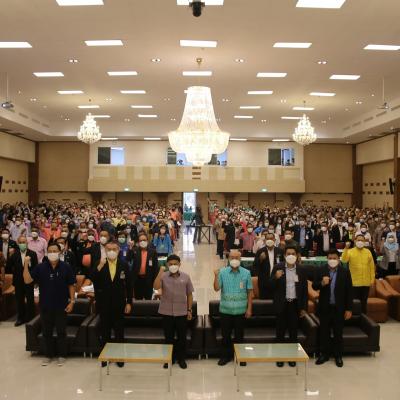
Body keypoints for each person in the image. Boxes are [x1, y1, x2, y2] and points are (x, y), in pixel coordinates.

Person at [23, 243, 76, 366]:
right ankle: (48, 355)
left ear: (59, 252)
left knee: (61, 332)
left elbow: (71, 285)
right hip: (45, 306)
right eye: (50, 251)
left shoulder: (66, 267)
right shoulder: (41, 267)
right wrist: (26, 264)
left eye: (55, 251)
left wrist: (72, 301)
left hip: (62, 305)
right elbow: (27, 280)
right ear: (47, 253)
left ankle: (62, 355)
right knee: (47, 332)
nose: (52, 253)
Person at [91, 241, 133, 368]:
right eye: (109, 249)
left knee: (119, 332)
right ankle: (106, 356)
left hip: (119, 304)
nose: (111, 251)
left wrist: (129, 302)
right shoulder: (99, 263)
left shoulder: (124, 264)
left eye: (114, 249)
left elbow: (129, 285)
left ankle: (120, 357)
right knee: (105, 331)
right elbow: (93, 279)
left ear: (118, 250)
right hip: (103, 303)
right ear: (105, 250)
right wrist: (100, 266)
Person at [313, 249, 353, 368]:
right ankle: (324, 355)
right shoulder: (321, 270)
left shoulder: (345, 272)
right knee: (324, 332)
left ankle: (338, 356)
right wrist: (322, 283)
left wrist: (349, 309)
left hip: (339, 308)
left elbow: (349, 291)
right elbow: (314, 286)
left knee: (338, 333)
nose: (332, 260)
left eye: (334, 258)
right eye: (330, 258)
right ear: (327, 259)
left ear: (338, 259)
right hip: (325, 307)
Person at [269, 246, 308, 368]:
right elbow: (270, 286)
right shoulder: (278, 267)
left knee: (293, 333)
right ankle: (280, 357)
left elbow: (304, 290)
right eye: (288, 253)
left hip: (295, 305)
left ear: (297, 255)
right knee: (280, 333)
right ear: (284, 255)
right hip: (282, 304)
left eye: (293, 253)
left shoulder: (301, 269)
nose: (291, 255)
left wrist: (303, 307)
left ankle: (292, 357)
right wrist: (276, 277)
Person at [154, 254, 194, 370]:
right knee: (168, 338)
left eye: (175, 264)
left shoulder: (186, 277)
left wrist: (189, 310)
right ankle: (169, 359)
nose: (173, 266)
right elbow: (156, 287)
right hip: (166, 312)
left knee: (182, 338)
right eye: (170, 264)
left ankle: (181, 359)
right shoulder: (163, 276)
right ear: (167, 265)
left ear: (179, 264)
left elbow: (189, 295)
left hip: (181, 312)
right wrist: (160, 272)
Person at [213, 250, 253, 366]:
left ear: (240, 259)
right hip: (226, 310)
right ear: (228, 258)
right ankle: (225, 356)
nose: (234, 259)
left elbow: (250, 292)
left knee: (239, 336)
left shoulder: (246, 273)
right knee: (225, 336)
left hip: (241, 310)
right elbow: (216, 288)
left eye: (237, 257)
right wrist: (216, 276)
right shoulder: (222, 272)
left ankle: (240, 356)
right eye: (232, 257)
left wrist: (249, 309)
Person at [7, 235, 38, 326]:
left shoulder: (32, 253)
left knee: (30, 300)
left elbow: (35, 268)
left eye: (23, 242)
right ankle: (20, 318)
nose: (22, 244)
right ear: (18, 243)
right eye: (20, 242)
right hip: (18, 281)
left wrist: (35, 281)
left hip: (29, 281)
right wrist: (9, 256)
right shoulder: (14, 254)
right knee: (19, 300)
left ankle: (31, 319)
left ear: (27, 243)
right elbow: (9, 267)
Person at [341, 235, 375, 314]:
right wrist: (346, 248)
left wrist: (372, 280)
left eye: (362, 240)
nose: (360, 242)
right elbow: (344, 260)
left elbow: (372, 267)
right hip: (354, 283)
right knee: (355, 303)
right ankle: (355, 318)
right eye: (358, 240)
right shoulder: (350, 251)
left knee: (364, 303)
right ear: (355, 241)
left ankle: (364, 319)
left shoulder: (368, 252)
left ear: (364, 242)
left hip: (366, 283)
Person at [253, 232, 283, 299]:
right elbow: (254, 266)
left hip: (277, 281)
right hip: (264, 282)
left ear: (274, 240)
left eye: (271, 238)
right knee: (264, 301)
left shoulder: (280, 251)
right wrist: (260, 259)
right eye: (267, 239)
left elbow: (283, 265)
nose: (269, 240)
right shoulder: (260, 251)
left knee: (277, 300)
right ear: (265, 240)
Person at [130, 233, 159, 299]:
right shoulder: (135, 250)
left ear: (147, 241)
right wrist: (130, 248)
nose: (142, 242)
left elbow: (155, 267)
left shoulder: (153, 252)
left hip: (148, 279)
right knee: (138, 299)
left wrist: (154, 280)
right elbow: (128, 259)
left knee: (148, 298)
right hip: (137, 280)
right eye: (140, 240)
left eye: (144, 240)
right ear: (138, 242)